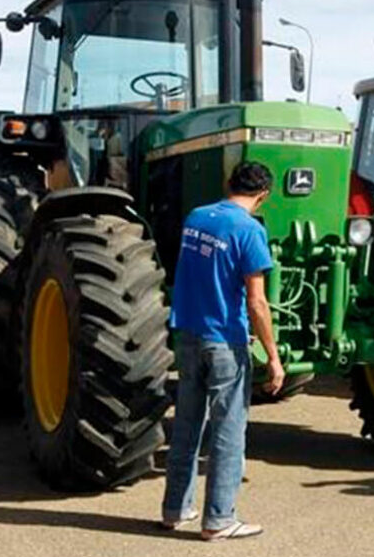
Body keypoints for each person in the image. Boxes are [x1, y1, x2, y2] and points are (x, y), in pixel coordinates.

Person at [161, 162, 285, 541]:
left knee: (186, 426)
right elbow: (258, 303)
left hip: (188, 335)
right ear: (264, 195)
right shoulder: (250, 230)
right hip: (225, 342)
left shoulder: (196, 217)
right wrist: (274, 358)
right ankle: (219, 519)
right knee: (229, 430)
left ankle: (174, 510)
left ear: (228, 183)